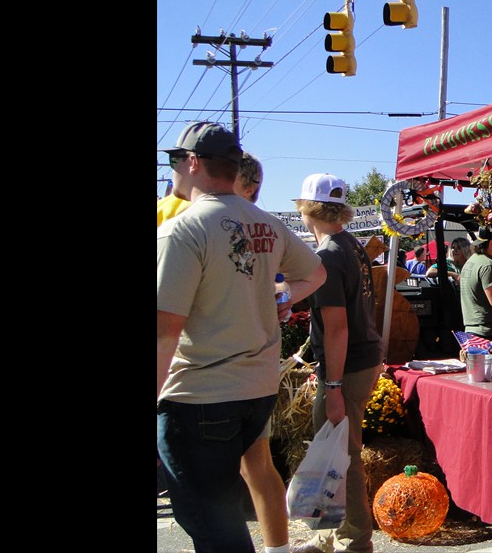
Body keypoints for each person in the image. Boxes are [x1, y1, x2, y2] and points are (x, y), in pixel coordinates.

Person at [158, 122, 326, 553]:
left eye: (175, 161)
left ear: (193, 163)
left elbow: (164, 331)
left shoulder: (182, 229)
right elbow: (315, 273)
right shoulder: (265, 223)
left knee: (213, 525)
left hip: (200, 395)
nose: (173, 170)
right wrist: (283, 295)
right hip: (256, 388)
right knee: (223, 516)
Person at [292, 173, 383, 553]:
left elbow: (337, 328)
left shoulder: (328, 253)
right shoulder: (351, 245)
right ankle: (328, 535)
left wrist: (332, 387)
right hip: (362, 359)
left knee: (341, 457)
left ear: (307, 209)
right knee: (336, 453)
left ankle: (354, 541)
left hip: (347, 366)